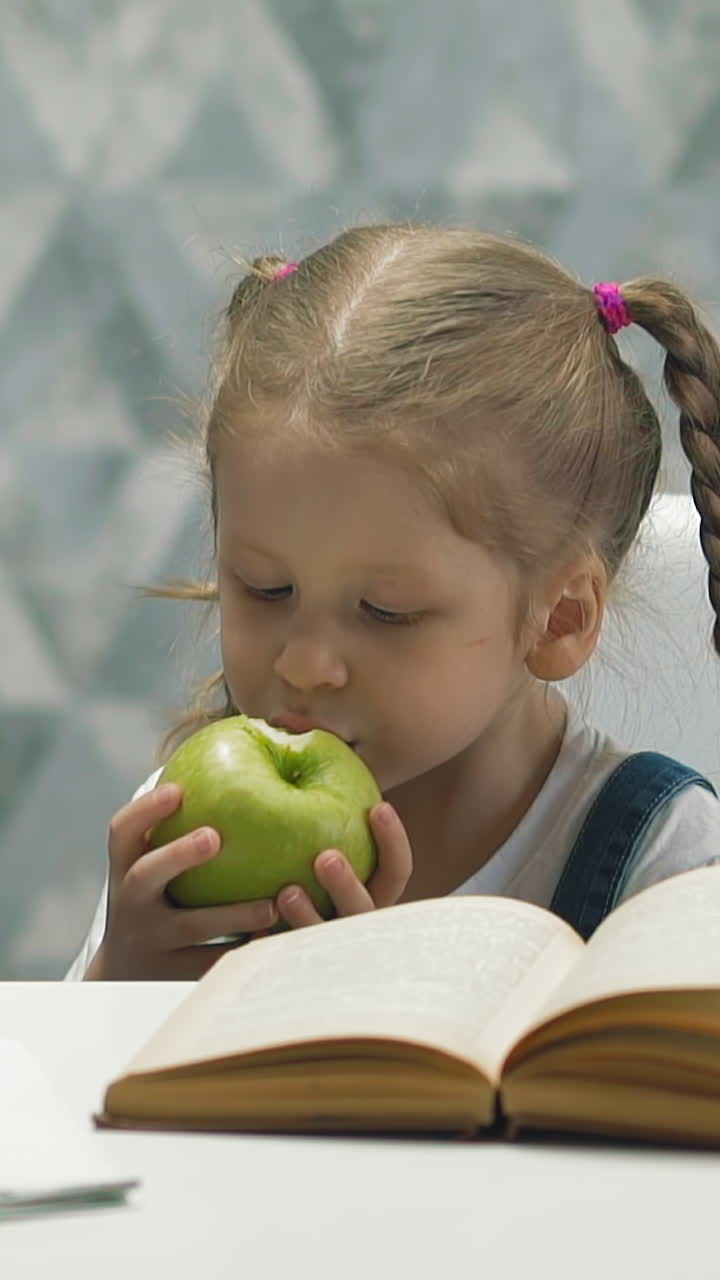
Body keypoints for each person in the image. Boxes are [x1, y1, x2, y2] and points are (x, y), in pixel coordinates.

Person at [66, 224, 720, 982]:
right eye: (266, 590)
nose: (304, 663)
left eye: (385, 612)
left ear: (561, 618)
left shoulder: (669, 870)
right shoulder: (185, 835)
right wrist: (121, 980)